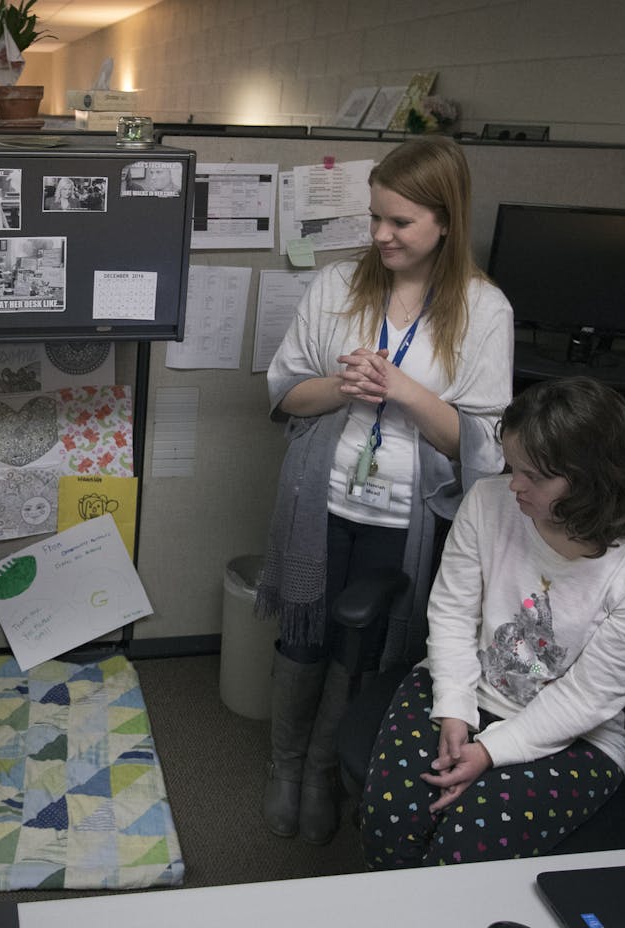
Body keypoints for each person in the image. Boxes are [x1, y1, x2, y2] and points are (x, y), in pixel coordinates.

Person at [256, 136, 514, 845]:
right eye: (375, 217)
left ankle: (325, 768)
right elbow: (283, 395)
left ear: (447, 220)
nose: (380, 234)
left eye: (399, 221)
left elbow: (484, 448)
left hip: (410, 520)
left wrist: (403, 390)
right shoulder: (337, 287)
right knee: (304, 637)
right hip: (321, 504)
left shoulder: (485, 310)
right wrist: (342, 386)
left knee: (361, 650)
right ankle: (289, 770)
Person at [361, 377, 625, 867]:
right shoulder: (489, 504)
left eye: (534, 476)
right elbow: (452, 613)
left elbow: (587, 699)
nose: (514, 484)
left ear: (592, 480)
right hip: (465, 686)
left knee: (465, 849)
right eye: (513, 466)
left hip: (575, 735)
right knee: (391, 816)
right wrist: (453, 707)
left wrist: (488, 751)